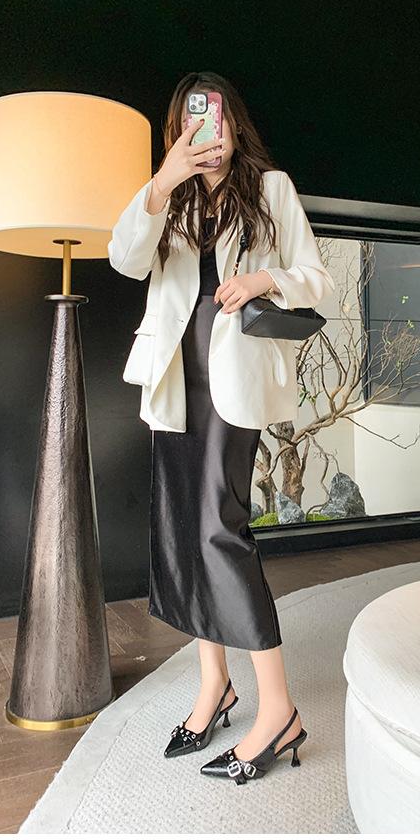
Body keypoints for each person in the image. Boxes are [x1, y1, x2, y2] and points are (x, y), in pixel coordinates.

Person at [108, 71, 334, 786]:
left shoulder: (270, 189)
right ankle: (215, 686)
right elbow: (124, 258)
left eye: (217, 118)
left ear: (234, 123)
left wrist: (264, 280)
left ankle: (280, 710)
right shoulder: (168, 197)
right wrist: (163, 178)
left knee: (219, 531)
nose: (209, 132)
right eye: (192, 122)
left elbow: (318, 280)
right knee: (184, 531)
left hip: (232, 382)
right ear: (178, 131)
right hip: (175, 379)